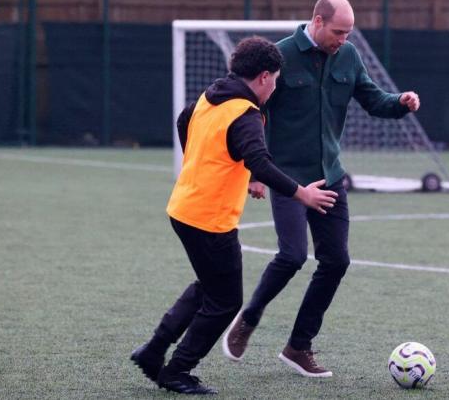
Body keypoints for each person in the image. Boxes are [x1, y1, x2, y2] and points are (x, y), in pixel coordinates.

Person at [222, 0, 421, 378]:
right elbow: (252, 114)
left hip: (329, 177)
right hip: (287, 178)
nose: (343, 39)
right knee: (293, 256)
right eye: (338, 31)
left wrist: (401, 102)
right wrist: (255, 174)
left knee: (336, 261)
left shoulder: (348, 57)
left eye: (348, 33)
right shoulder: (278, 57)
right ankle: (248, 318)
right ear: (317, 21)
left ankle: (299, 346)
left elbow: (373, 99)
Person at [130, 36, 338, 395]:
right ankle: (177, 370)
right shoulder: (246, 113)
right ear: (263, 77)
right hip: (209, 219)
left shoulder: (212, 96)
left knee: (208, 287)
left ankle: (152, 352)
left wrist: (212, 165)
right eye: (274, 79)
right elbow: (259, 159)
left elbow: (185, 121)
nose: (274, 86)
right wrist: (301, 192)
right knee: (226, 301)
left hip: (184, 207)